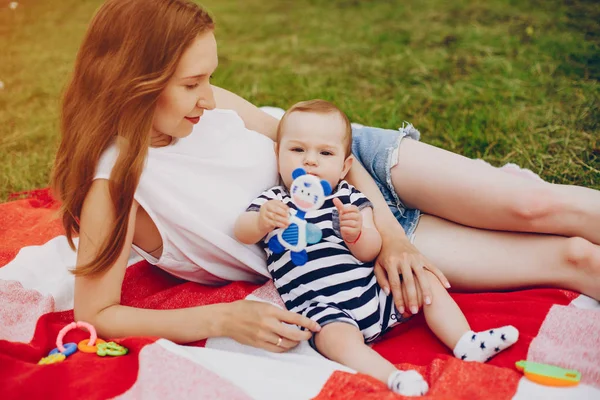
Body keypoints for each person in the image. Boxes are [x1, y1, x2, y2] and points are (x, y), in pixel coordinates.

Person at [50, 0, 600, 355]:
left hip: (358, 162)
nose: (211, 98)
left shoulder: (212, 109)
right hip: (343, 245)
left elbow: (324, 148)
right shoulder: (116, 187)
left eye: (210, 78)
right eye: (194, 83)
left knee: (537, 205)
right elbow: (97, 314)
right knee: (574, 259)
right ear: (136, 82)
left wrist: (391, 237)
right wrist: (224, 320)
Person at [234, 99, 520, 396]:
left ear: (345, 167)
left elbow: (371, 251)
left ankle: (465, 341)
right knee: (334, 340)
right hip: (325, 309)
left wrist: (356, 233)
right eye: (297, 150)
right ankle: (392, 376)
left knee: (424, 279)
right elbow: (242, 231)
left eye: (325, 153)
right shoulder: (274, 201)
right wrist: (261, 222)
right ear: (277, 152)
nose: (310, 161)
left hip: (375, 293)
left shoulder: (349, 199)